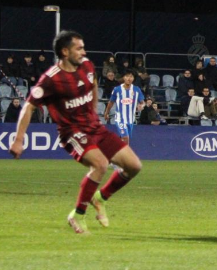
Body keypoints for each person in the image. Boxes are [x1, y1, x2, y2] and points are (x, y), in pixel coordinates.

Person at [9, 30, 143, 234]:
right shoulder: (51, 79)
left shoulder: (87, 66)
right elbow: (29, 106)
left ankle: (100, 198)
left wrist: (94, 109)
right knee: (100, 164)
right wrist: (19, 140)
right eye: (78, 48)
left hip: (94, 127)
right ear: (65, 51)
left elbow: (94, 83)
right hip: (72, 132)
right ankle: (77, 215)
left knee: (134, 166)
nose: (83, 51)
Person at [104, 71, 145, 144]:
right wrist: (106, 112)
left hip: (130, 119)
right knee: (125, 137)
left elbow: (142, 102)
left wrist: (141, 105)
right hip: (120, 119)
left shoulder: (136, 89)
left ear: (133, 78)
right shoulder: (117, 89)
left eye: (131, 76)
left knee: (123, 139)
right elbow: (111, 102)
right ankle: (126, 155)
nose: (129, 78)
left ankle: (118, 152)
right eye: (127, 76)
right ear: (124, 77)